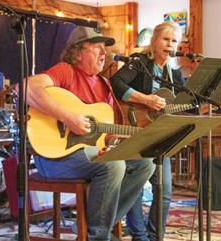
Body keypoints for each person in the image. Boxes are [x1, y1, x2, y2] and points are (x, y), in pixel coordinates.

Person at [26, 26, 155, 241]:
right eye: (97, 47)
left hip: (87, 155)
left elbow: (105, 135)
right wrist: (68, 118)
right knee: (113, 165)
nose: (104, 53)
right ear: (78, 52)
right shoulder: (66, 71)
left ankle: (94, 227)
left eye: (104, 48)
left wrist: (124, 138)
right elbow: (26, 88)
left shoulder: (104, 85)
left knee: (145, 162)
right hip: (53, 158)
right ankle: (97, 236)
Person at [110, 22, 185, 241]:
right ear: (154, 40)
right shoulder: (140, 62)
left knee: (165, 190)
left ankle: (155, 236)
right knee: (136, 189)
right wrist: (146, 99)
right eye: (165, 39)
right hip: (136, 129)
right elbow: (117, 82)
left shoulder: (174, 73)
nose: (169, 45)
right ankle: (139, 235)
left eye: (174, 41)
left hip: (162, 135)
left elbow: (184, 102)